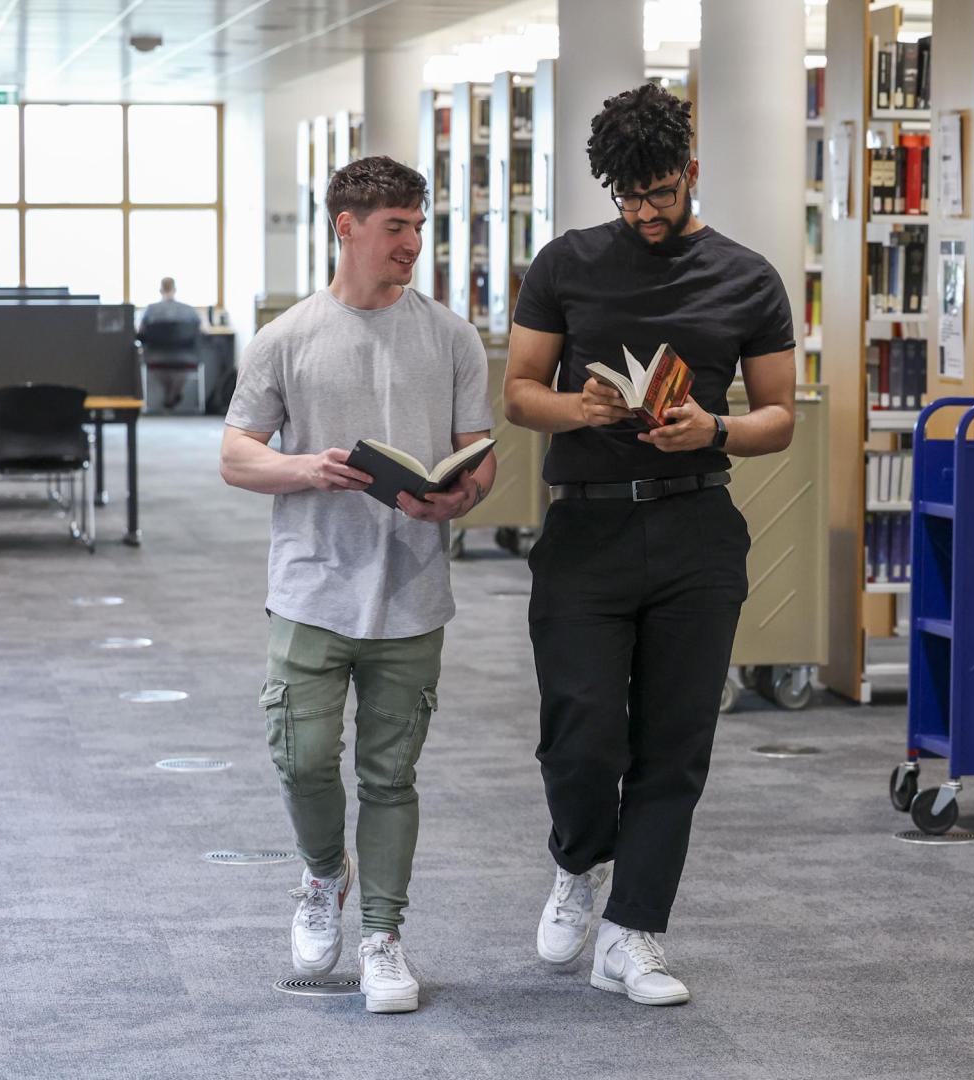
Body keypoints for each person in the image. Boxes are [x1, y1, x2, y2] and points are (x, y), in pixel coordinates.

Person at [504, 83, 796, 1007]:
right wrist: (576, 407)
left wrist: (713, 430)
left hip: (695, 524)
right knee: (581, 731)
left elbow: (780, 416)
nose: (646, 213)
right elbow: (518, 390)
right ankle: (579, 862)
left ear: (691, 175)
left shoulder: (748, 277)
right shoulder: (566, 263)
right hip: (586, 521)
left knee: (677, 740)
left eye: (661, 193)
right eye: (629, 198)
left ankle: (636, 934)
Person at [218, 155, 497, 1015]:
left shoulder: (451, 336)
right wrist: (304, 467)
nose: (414, 242)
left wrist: (461, 493)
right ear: (347, 226)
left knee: (390, 773)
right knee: (301, 758)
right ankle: (319, 874)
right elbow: (236, 455)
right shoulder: (287, 337)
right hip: (310, 586)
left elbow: (479, 455)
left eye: (420, 225)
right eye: (397, 227)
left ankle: (382, 935)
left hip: (412, 589)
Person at [137, 277, 202, 411]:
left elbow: (140, 333)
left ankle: (169, 395)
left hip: (154, 357)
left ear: (160, 290)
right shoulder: (189, 311)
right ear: (175, 290)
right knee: (177, 367)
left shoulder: (150, 310)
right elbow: (202, 330)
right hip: (185, 357)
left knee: (164, 366)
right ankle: (172, 395)